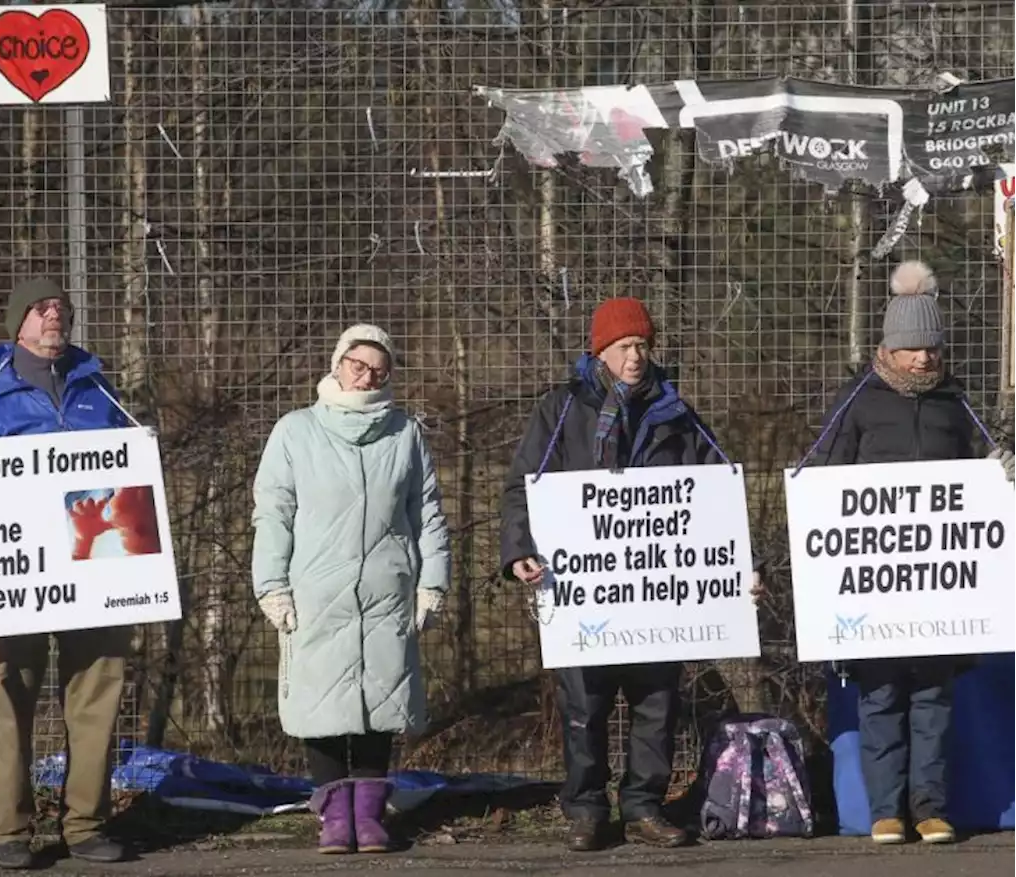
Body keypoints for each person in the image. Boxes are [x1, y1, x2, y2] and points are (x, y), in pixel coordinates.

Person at [499, 297, 759, 852]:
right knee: (583, 710)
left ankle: (644, 808)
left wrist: (741, 563)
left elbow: (717, 490)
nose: (636, 356)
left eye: (643, 345)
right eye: (624, 347)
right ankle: (587, 810)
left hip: (657, 596)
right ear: (600, 352)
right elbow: (524, 484)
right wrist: (519, 549)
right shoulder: (562, 410)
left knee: (655, 707)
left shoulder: (677, 411)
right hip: (581, 595)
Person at [812, 260, 1016, 846]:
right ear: (888, 348)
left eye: (930, 347)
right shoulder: (857, 402)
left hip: (941, 586)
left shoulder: (956, 405)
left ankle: (929, 806)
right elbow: (824, 477)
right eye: (911, 348)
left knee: (933, 699)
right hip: (875, 587)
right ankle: (884, 810)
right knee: (879, 696)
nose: (923, 358)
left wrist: (998, 474)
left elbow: (981, 480)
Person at [0, 278, 135, 869]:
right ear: (17, 323)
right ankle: (10, 828)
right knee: (11, 697)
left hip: (95, 572)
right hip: (15, 578)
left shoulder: (102, 393)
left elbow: (132, 476)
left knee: (97, 695)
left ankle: (86, 824)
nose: (55, 314)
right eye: (42, 307)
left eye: (62, 307)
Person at [250, 324, 451, 855]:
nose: (367, 376)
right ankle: (335, 816)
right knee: (322, 702)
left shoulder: (404, 432)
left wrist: (432, 582)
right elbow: (274, 513)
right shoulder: (295, 431)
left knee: (380, 699)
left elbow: (426, 511)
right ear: (338, 364)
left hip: (388, 588)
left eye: (379, 369)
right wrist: (271, 584)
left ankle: (369, 811)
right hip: (316, 587)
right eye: (357, 365)